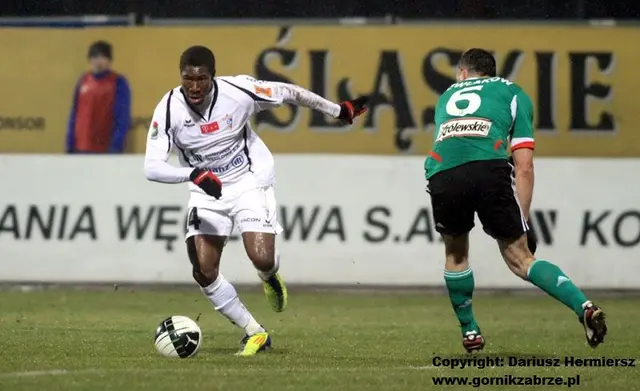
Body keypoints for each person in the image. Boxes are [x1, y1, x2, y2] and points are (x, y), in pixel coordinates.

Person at [143, 45, 368, 357]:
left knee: (261, 257)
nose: (194, 87)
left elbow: (289, 92)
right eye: (188, 79)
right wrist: (193, 175)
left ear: (213, 76)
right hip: (207, 189)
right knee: (203, 270)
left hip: (248, 179)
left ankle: (268, 275)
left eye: (202, 79)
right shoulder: (168, 108)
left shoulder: (239, 90)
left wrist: (337, 111)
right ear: (181, 77)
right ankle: (255, 332)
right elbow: (151, 167)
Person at [424, 48, 607, 353]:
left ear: (462, 73)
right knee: (521, 259)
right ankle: (583, 307)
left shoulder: (446, 95)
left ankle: (470, 330)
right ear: (491, 74)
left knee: (455, 255)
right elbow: (524, 165)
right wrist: (523, 217)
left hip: (444, 171)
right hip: (488, 168)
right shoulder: (513, 93)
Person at [66, 40, 131, 153]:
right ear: (90, 59)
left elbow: (122, 116)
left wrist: (116, 145)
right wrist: (70, 143)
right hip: (81, 148)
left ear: (109, 60)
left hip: (105, 148)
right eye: (95, 57)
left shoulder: (118, 82)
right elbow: (74, 114)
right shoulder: (83, 81)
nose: (98, 61)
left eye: (103, 57)